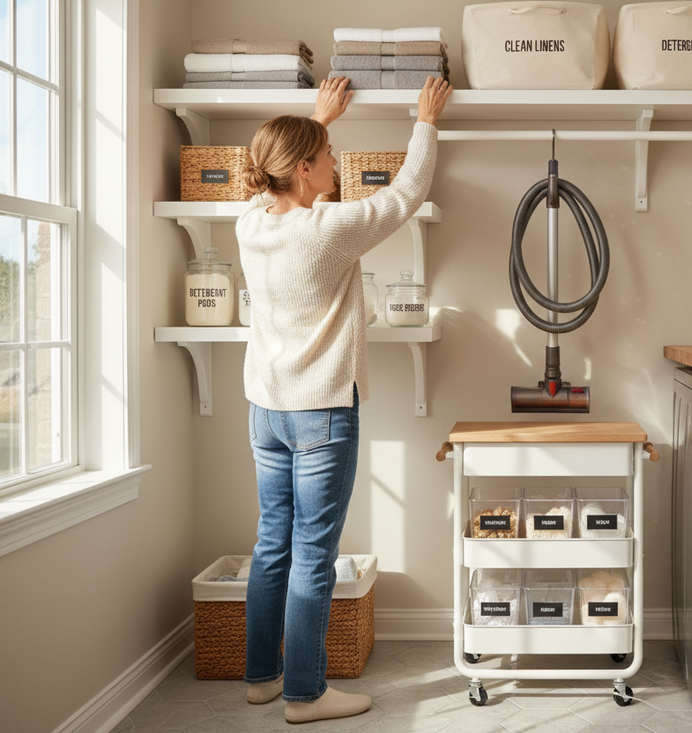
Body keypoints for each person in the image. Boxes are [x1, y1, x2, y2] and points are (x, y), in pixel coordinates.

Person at [235, 74, 451, 725]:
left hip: (266, 410)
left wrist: (318, 118)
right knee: (314, 552)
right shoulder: (328, 228)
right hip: (322, 411)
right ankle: (306, 692)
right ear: (304, 168)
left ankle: (262, 678)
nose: (337, 163)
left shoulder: (250, 221)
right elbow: (408, 192)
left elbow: (281, 175)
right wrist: (425, 119)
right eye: (327, 154)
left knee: (273, 542)